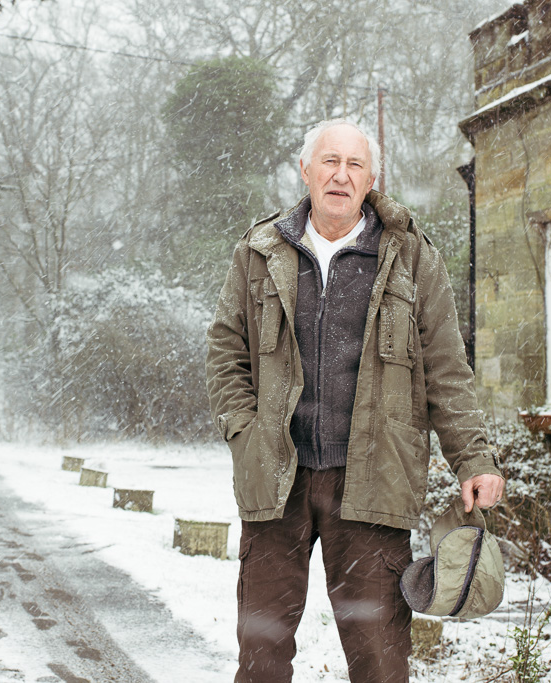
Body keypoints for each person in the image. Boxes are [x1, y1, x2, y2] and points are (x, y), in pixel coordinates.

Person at [205, 118, 505, 683]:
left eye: (354, 165)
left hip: (371, 484)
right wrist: (245, 434)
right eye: (329, 162)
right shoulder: (259, 251)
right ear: (305, 170)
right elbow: (225, 349)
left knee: (380, 661)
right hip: (276, 480)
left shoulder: (410, 256)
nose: (340, 176)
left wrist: (474, 458)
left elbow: (446, 366)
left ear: (371, 179)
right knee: (261, 658)